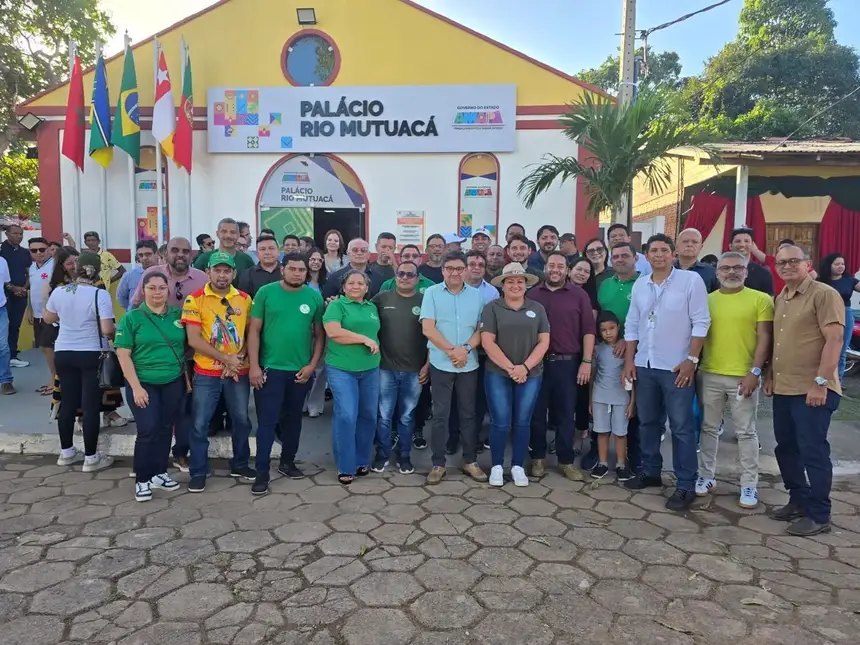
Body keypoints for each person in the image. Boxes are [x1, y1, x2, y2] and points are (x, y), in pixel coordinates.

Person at [622, 234, 710, 511]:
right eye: (653, 251)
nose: (658, 255)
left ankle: (685, 484)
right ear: (646, 256)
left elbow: (701, 322)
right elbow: (632, 324)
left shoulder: (690, 281)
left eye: (664, 250)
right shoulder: (640, 285)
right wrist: (629, 360)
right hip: (646, 365)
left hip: (676, 368)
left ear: (673, 254)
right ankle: (650, 472)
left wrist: (691, 360)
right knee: (648, 422)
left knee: (681, 427)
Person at [765, 245, 844, 536]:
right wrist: (770, 375)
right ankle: (797, 499)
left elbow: (834, 340)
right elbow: (779, 343)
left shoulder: (824, 294)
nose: (786, 266)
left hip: (813, 390)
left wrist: (820, 383)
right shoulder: (782, 297)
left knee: (813, 451)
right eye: (781, 263)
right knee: (786, 448)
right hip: (785, 388)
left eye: (793, 261)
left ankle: (819, 514)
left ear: (807, 263)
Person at [695, 251, 773, 508]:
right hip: (710, 373)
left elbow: (764, 338)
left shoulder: (761, 300)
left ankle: (749, 484)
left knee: (746, 432)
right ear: (717, 273)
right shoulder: (706, 300)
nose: (731, 272)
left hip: (744, 376)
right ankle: (706, 476)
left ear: (746, 271)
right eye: (726, 268)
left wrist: (755, 372)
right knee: (708, 429)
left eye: (737, 268)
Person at [248, 253, 324, 494]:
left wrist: (312, 365)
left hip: (300, 371)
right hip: (269, 370)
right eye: (292, 269)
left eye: (301, 270)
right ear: (283, 269)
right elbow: (254, 331)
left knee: (293, 421)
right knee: (267, 423)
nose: (297, 273)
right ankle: (261, 472)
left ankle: (287, 462)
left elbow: (320, 334)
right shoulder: (266, 293)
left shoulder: (314, 297)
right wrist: (254, 366)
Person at [182, 251, 256, 493]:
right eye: (217, 270)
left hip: (238, 372)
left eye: (227, 271)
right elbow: (193, 339)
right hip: (206, 373)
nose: (222, 275)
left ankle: (240, 464)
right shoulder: (195, 299)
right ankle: (198, 471)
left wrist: (239, 358)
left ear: (233, 273)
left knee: (242, 420)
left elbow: (249, 334)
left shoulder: (245, 299)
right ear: (209, 272)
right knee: (200, 423)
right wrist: (226, 359)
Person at [115, 272, 185, 502]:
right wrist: (136, 388)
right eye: (152, 288)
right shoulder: (132, 318)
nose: (157, 293)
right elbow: (123, 355)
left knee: (166, 428)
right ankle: (142, 479)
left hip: (172, 381)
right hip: (143, 383)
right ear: (143, 290)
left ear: (168, 290)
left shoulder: (178, 315)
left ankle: (159, 473)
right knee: (148, 430)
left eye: (162, 288)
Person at [43, 251, 115, 472]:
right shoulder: (99, 295)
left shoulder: (60, 291)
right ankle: (91, 458)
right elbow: (106, 329)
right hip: (90, 353)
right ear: (96, 271)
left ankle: (66, 453)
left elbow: (48, 318)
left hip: (63, 352)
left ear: (77, 268)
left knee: (68, 402)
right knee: (90, 406)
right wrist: (114, 332)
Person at [420, 251, 487, 484]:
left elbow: (482, 329)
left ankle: (470, 460)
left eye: (459, 268)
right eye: (450, 268)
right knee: (440, 415)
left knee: (469, 414)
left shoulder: (477, 296)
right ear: (443, 270)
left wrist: (465, 350)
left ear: (466, 269)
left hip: (468, 364)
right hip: (441, 364)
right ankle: (438, 463)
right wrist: (452, 351)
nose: (455, 273)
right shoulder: (431, 293)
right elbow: (428, 328)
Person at [482, 262, 550, 487]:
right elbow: (487, 341)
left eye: (519, 281)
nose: (515, 285)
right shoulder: (492, 307)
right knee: (500, 422)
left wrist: (525, 368)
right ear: (502, 285)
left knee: (522, 421)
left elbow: (544, 341)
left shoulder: (537, 308)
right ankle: (497, 466)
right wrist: (511, 368)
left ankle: (518, 465)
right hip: (498, 373)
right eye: (510, 281)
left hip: (530, 374)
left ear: (526, 284)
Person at [529, 251, 595, 481]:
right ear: (545, 267)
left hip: (568, 364)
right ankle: (537, 458)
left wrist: (586, 362)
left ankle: (566, 461)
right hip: (537, 364)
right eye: (551, 265)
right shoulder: (533, 294)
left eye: (560, 266)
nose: (555, 269)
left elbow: (588, 330)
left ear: (567, 270)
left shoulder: (579, 295)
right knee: (537, 413)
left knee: (567, 414)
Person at [586, 241, 642, 473]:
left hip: (633, 348)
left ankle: (629, 460)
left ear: (635, 257)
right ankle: (600, 459)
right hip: (605, 355)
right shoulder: (604, 285)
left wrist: (626, 338)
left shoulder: (643, 284)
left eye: (624, 255)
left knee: (627, 424)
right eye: (616, 256)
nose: (619, 259)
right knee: (601, 426)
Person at [323, 270, 381, 485]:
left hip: (370, 369)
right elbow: (334, 332)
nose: (356, 286)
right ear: (344, 287)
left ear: (367, 288)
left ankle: (361, 460)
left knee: (368, 415)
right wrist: (363, 339)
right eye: (351, 283)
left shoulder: (372, 307)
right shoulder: (336, 306)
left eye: (361, 283)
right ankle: (345, 466)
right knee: (347, 414)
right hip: (342, 368)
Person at [371, 260, 428, 474]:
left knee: (406, 416)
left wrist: (427, 366)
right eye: (401, 273)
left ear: (417, 278)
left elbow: (433, 335)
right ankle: (383, 454)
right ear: (395, 276)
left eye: (410, 274)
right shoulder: (381, 298)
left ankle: (404, 456)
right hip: (385, 368)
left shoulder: (425, 301)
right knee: (384, 415)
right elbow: (360, 315)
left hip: (415, 370)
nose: (405, 277)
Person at [589, 311, 635, 480]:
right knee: (602, 431)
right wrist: (590, 401)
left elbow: (632, 377)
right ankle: (602, 464)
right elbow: (592, 376)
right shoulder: (597, 350)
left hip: (621, 397)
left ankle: (621, 464)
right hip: (599, 396)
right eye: (603, 330)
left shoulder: (626, 350)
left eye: (612, 328)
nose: (608, 333)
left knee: (620, 432)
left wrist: (632, 402)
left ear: (619, 328)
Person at [817, 253, 860, 381]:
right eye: (837, 264)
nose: (841, 266)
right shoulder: (820, 282)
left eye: (842, 264)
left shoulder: (850, 280)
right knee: (821, 347)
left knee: (841, 350)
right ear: (829, 266)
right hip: (824, 314)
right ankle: (820, 377)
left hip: (845, 314)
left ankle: (837, 381)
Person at [25, 237, 55, 394]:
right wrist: (29, 308)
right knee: (43, 347)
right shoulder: (32, 267)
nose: (38, 253)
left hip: (51, 314)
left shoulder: (54, 266)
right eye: (34, 250)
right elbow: (32, 289)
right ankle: (55, 377)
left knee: (47, 346)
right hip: (37, 313)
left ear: (49, 249)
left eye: (42, 249)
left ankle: (55, 379)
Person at [304, 247, 329, 418]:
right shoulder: (299, 283)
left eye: (319, 260)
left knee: (319, 370)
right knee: (302, 367)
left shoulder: (326, 284)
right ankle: (302, 403)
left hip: (322, 331)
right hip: (302, 332)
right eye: (313, 259)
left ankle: (315, 405)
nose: (316, 262)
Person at [1, 224, 30, 368]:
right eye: (15, 233)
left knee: (15, 325)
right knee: (4, 325)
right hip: (4, 294)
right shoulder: (1, 251)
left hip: (21, 294)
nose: (19, 236)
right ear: (7, 234)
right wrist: (12, 288)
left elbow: (28, 272)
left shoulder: (25, 252)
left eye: (21, 233)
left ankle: (13, 356)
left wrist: (24, 288)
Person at [728, 228, 774, 295]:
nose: (742, 245)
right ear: (730, 246)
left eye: (746, 241)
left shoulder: (764, 274)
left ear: (753, 245)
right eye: (738, 241)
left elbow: (768, 302)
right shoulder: (719, 271)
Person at [117, 240, 159, 311]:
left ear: (157, 254)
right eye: (141, 255)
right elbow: (121, 298)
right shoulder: (129, 276)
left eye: (148, 254)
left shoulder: (166, 273)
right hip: (136, 318)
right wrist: (132, 310)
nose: (144, 258)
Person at [0, 254, 13, 394]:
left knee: (3, 346)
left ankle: (6, 380)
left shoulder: (2, 261)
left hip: (0, 309)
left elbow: (5, 282)